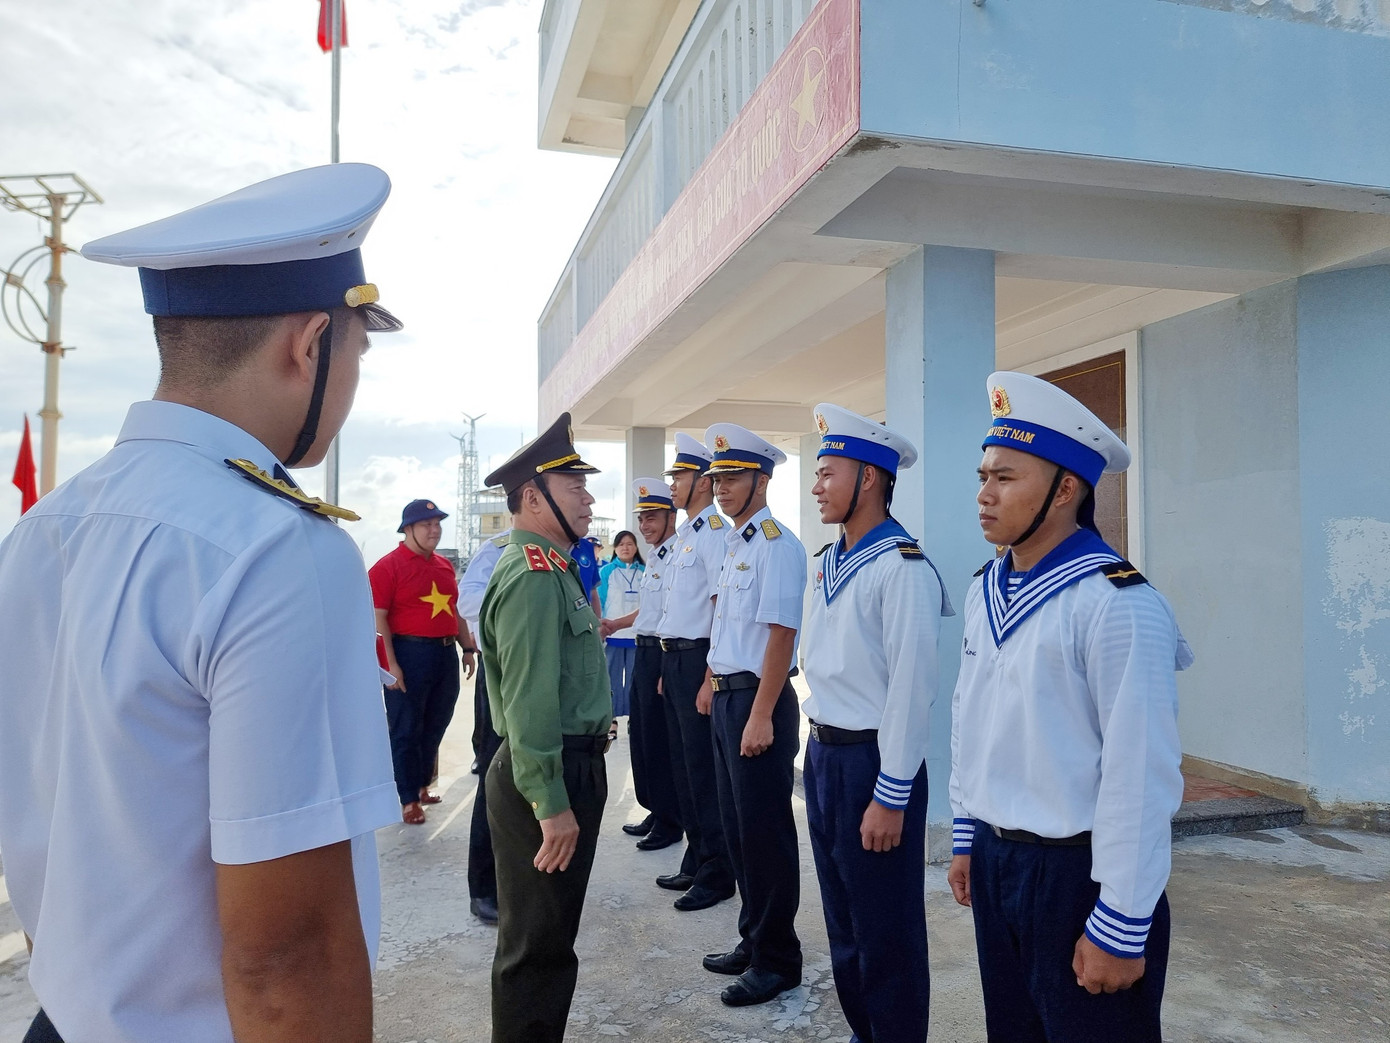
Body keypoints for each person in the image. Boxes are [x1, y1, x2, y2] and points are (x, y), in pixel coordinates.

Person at [0, 164, 404, 1043]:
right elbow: (287, 955)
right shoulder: (279, 551)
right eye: (356, 352)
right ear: (307, 345)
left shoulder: (37, 536)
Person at [947, 371, 1193, 1043]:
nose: (984, 493)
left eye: (1005, 477)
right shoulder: (985, 589)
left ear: (1065, 489)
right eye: (983, 474)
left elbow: (1141, 773)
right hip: (1000, 863)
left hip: (1078, 873)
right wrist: (969, 829)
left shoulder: (1117, 603)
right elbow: (972, 716)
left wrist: (1121, 918)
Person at [801, 403, 953, 1043]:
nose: (816, 485)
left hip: (874, 764)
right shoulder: (827, 560)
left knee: (885, 930)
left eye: (828, 471)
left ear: (869, 478)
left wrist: (891, 794)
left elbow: (911, 692)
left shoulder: (903, 567)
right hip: (825, 758)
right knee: (843, 922)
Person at [479, 412, 611, 1043]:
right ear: (532, 497)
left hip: (562, 765)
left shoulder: (556, 567)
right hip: (547, 771)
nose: (589, 498)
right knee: (537, 949)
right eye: (574, 487)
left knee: (551, 940)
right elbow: (530, 703)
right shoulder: (534, 576)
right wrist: (550, 803)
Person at [700, 423, 807, 1008]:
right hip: (728, 697)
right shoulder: (735, 543)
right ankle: (753, 937)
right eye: (717, 478)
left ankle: (777, 960)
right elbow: (726, 626)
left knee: (765, 834)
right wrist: (710, 684)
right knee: (739, 830)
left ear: (761, 481)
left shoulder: (777, 545)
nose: (722, 487)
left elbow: (780, 634)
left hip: (757, 701)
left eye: (734, 477)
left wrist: (761, 713)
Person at [654, 433, 738, 887]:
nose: (672, 485)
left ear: (702, 483)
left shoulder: (713, 536)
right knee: (685, 766)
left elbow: (719, 612)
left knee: (704, 771)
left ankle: (717, 870)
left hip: (700, 662)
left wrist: (707, 677)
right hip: (677, 663)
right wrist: (671, 669)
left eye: (679, 476)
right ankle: (697, 856)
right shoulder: (688, 535)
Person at [371, 498, 478, 825]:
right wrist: (390, 665)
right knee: (406, 728)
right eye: (426, 525)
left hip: (444, 654)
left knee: (436, 723)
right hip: (407, 653)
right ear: (407, 529)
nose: (434, 531)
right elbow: (378, 620)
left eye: (437, 524)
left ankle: (420, 785)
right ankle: (405, 798)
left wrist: (467, 647)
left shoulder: (444, 566)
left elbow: (454, 609)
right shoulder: (387, 567)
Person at [600, 481, 683, 845]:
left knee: (661, 741)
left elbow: (675, 613)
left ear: (671, 516)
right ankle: (654, 808)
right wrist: (616, 623)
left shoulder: (678, 554)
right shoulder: (657, 557)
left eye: (652, 517)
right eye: (642, 518)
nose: (645, 525)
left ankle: (669, 820)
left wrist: (667, 665)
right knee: (643, 736)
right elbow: (649, 610)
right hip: (643, 648)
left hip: (661, 652)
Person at [458, 529, 510, 926]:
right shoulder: (500, 547)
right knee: (496, 779)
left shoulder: (569, 550)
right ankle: (485, 887)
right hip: (503, 673)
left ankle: (520, 880)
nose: (586, 498)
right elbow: (470, 601)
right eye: (573, 487)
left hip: (549, 678)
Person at [597, 529, 644, 727]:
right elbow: (599, 600)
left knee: (636, 679)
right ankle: (612, 719)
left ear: (636, 547)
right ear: (615, 548)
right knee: (611, 679)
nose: (626, 548)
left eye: (630, 544)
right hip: (613, 633)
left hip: (636, 635)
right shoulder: (607, 571)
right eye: (621, 544)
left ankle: (635, 717)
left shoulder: (645, 570)